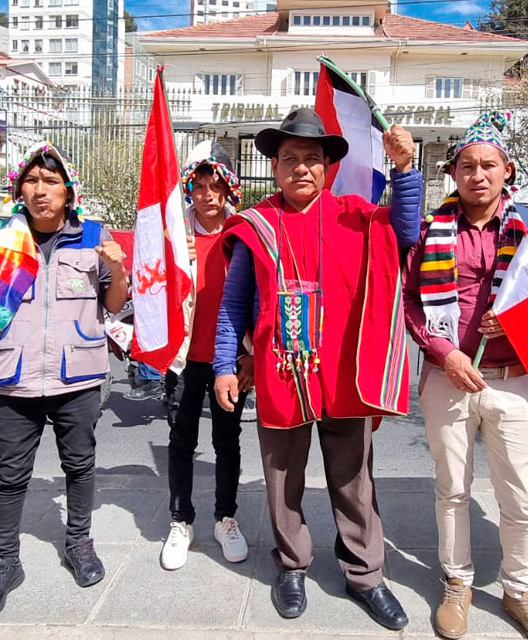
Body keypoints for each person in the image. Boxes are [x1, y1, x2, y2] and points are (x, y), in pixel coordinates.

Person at [213, 108, 422, 630]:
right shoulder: (257, 226)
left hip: (345, 375)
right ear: (275, 167)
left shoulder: (356, 215)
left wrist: (405, 171)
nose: (301, 168)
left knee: (354, 481)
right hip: (281, 373)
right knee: (282, 479)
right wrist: (223, 364)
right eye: (290, 159)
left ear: (327, 167)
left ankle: (365, 574)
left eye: (312, 158)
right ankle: (291, 565)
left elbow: (406, 230)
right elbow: (233, 302)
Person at [403, 113, 528, 640]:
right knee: (452, 489)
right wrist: (445, 351)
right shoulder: (430, 232)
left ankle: (520, 591)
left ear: (507, 171)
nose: (477, 175)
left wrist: (522, 320)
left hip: (513, 379)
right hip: (447, 378)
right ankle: (457, 582)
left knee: (520, 495)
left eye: (488, 165)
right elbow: (410, 303)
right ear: (453, 173)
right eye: (467, 165)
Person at [0, 142, 129, 620]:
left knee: (80, 466)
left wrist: (116, 265)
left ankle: (79, 543)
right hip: (13, 378)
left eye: (51, 182)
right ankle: (3, 562)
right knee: (10, 474)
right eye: (32, 181)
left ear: (68, 191)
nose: (41, 190)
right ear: (20, 189)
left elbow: (115, 304)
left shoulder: (93, 237)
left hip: (76, 376)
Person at [160, 142, 250, 571]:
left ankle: (225, 517)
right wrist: (174, 260)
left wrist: (248, 356)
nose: (208, 195)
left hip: (228, 361)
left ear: (229, 190)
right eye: (199, 187)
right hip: (184, 359)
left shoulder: (243, 233)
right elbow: (151, 284)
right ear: (189, 191)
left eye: (216, 186)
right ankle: (181, 521)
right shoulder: (174, 236)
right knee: (181, 442)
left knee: (227, 441)